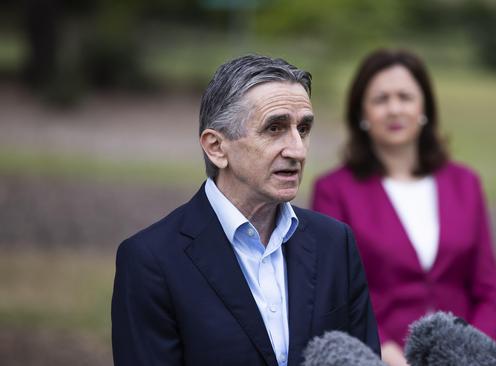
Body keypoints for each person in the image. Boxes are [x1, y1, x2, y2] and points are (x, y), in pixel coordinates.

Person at [111, 55, 380, 366]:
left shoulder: (336, 243)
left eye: (303, 129)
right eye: (275, 128)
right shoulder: (151, 261)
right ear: (216, 147)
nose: (297, 149)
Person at [311, 49, 496, 366]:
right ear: (361, 112)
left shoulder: (465, 183)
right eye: (380, 99)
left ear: (424, 106)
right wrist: (388, 354)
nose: (394, 109)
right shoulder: (334, 191)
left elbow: (489, 290)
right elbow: (337, 291)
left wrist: (476, 356)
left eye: (405, 96)